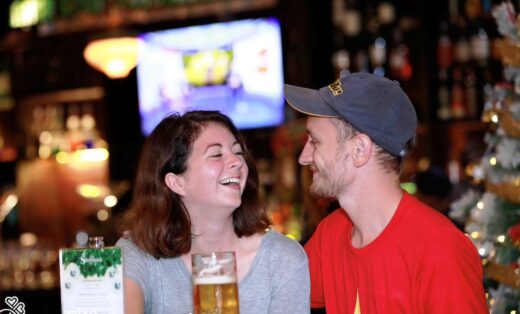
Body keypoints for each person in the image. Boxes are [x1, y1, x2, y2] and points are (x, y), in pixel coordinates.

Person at [284, 71, 488, 313]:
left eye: (315, 142)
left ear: (360, 149)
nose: (303, 158)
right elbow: (273, 295)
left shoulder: (440, 251)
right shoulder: (331, 234)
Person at [116, 111, 309, 314]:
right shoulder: (137, 253)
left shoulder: (282, 257)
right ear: (176, 182)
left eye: (238, 152)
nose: (237, 162)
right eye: (217, 155)